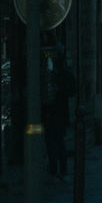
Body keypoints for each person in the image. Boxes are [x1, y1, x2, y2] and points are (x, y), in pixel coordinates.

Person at [42, 46, 75, 181]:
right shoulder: (60, 73)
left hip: (56, 111)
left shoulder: (59, 74)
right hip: (56, 111)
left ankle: (58, 168)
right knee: (55, 141)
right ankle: (57, 168)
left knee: (56, 141)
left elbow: (71, 90)